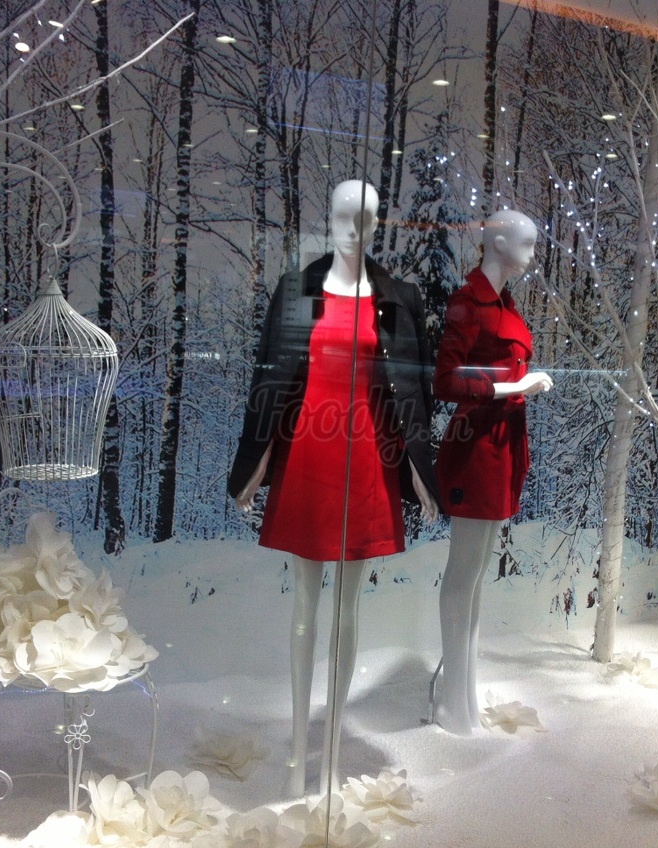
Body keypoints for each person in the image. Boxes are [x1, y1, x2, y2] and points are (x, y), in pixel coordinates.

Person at [229, 180, 438, 794]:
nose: (353, 229)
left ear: (376, 224)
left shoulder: (397, 298)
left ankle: (332, 755)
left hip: (367, 456)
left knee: (348, 610)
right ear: (329, 217)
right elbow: (271, 377)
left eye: (365, 218)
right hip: (308, 454)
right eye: (344, 216)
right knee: (304, 606)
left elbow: (414, 390)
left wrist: (420, 467)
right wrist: (256, 461)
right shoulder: (299, 290)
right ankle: (299, 756)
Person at [432, 209, 553, 735]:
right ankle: (452, 705)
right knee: (463, 575)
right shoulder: (469, 302)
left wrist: (515, 390)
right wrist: (512, 388)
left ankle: (464, 696)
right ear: (499, 242)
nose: (533, 252)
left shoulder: (504, 304)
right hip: (475, 446)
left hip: (501, 445)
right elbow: (445, 380)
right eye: (527, 242)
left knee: (477, 577)